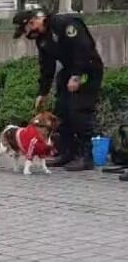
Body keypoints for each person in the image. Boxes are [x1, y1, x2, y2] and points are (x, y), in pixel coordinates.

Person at [13, 10, 104, 171]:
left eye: (27, 29)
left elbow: (82, 48)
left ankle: (86, 156)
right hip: (68, 71)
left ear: (34, 22)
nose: (28, 34)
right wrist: (43, 92)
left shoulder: (64, 24)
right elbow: (46, 66)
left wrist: (76, 75)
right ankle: (66, 152)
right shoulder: (42, 39)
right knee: (61, 111)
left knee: (79, 111)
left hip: (87, 68)